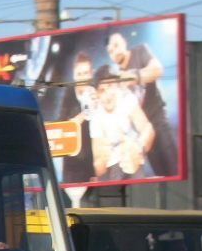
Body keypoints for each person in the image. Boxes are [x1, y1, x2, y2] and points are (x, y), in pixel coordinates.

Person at [106, 31, 178, 177]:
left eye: (116, 45)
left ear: (125, 42)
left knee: (175, 168)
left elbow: (157, 69)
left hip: (158, 120)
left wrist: (135, 77)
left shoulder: (140, 51)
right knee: (161, 175)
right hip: (143, 133)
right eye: (110, 51)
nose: (115, 52)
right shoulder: (115, 77)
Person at [90, 65, 155, 182]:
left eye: (109, 86)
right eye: (102, 90)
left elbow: (147, 128)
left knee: (138, 177)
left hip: (134, 156)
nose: (107, 94)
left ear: (115, 85)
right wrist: (102, 159)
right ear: (97, 94)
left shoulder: (127, 99)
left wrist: (138, 148)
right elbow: (98, 166)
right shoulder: (95, 117)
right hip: (113, 165)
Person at [58, 51, 97, 185]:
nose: (82, 78)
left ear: (91, 74)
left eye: (85, 73)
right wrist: (85, 113)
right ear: (74, 75)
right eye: (79, 74)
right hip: (72, 167)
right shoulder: (68, 96)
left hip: (94, 165)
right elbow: (62, 127)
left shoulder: (97, 92)